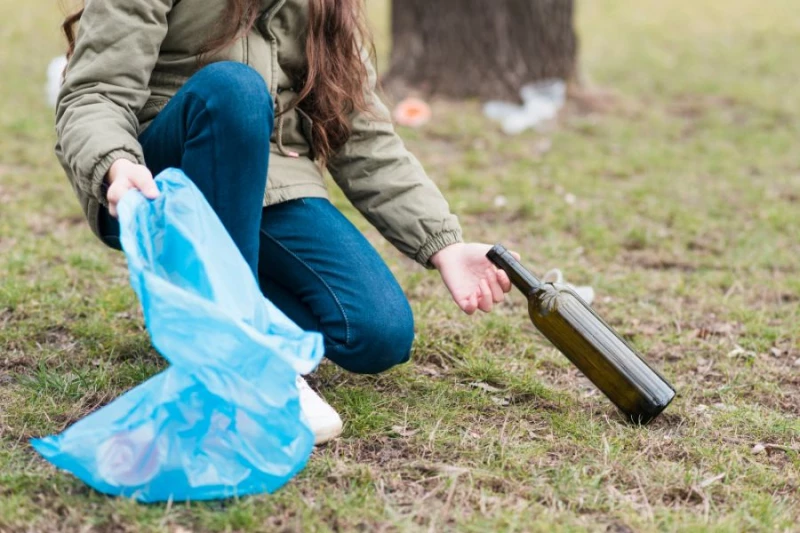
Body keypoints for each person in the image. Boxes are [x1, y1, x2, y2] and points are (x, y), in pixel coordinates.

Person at [55, 0, 514, 445]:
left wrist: (444, 244)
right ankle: (245, 356)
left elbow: (363, 134)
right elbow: (96, 93)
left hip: (272, 178)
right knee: (234, 88)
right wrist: (115, 162)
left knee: (378, 332)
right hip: (153, 178)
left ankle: (197, 298)